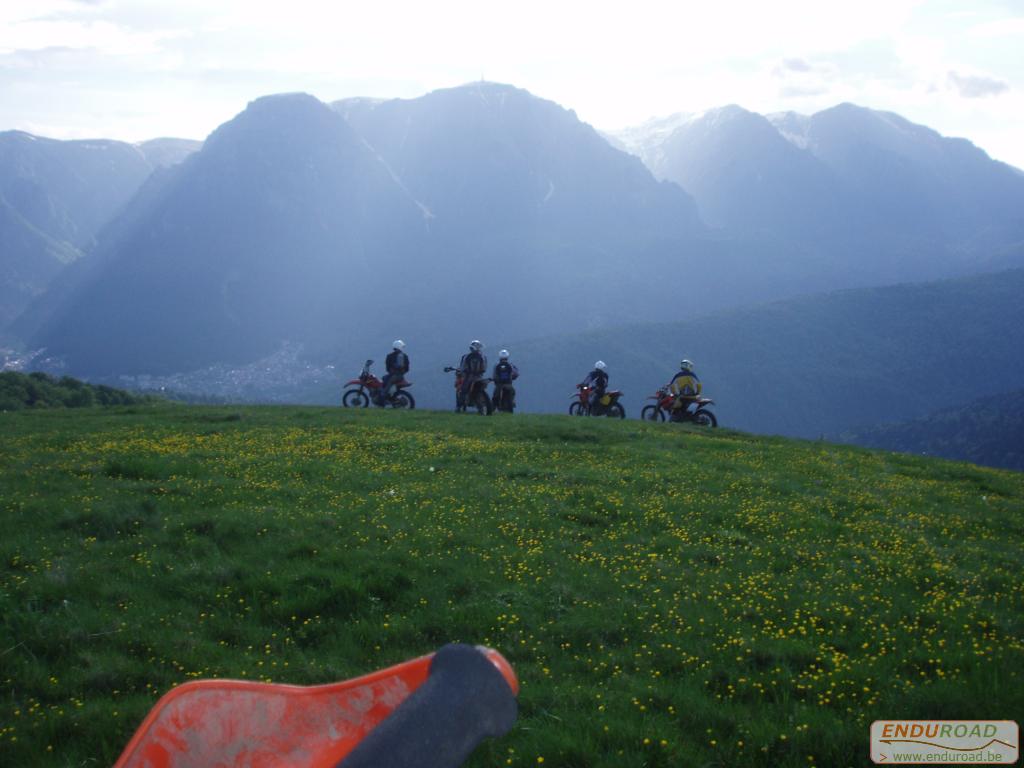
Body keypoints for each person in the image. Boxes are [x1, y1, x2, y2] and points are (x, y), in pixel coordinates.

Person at [458, 340, 487, 411]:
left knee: (463, 390)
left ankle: (459, 407)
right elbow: (484, 368)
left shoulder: (466, 356)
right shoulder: (482, 357)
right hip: (479, 377)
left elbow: (462, 367)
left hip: (469, 377)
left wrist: (464, 372)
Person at [378, 340, 409, 404]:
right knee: (384, 378)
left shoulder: (389, 356)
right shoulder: (404, 356)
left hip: (394, 376)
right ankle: (389, 395)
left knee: (388, 381)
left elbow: (387, 368)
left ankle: (383, 397)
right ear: (399, 347)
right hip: (400, 376)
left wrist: (392, 372)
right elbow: (407, 368)